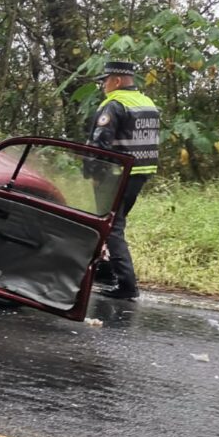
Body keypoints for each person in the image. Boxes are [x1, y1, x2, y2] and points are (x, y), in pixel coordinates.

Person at [86, 60, 160, 301]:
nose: (103, 86)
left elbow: (100, 144)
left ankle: (127, 284)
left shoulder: (115, 104)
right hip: (140, 174)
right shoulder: (147, 103)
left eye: (105, 81)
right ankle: (106, 272)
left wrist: (94, 174)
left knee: (111, 226)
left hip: (115, 175)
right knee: (112, 224)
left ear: (117, 80)